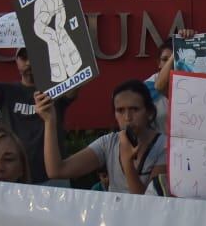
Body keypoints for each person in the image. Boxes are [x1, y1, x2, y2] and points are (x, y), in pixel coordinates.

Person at [0, 23, 72, 184]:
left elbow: (78, 78)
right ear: (16, 61)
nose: (29, 62)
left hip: (53, 177)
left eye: (35, 56)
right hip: (13, 177)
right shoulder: (7, 91)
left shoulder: (58, 89)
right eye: (24, 57)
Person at [38, 80, 166, 195]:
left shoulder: (164, 146)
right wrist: (49, 121)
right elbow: (57, 170)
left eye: (135, 109)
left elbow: (147, 204)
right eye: (120, 110)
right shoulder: (109, 142)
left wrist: (127, 163)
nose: (127, 117)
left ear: (149, 112)